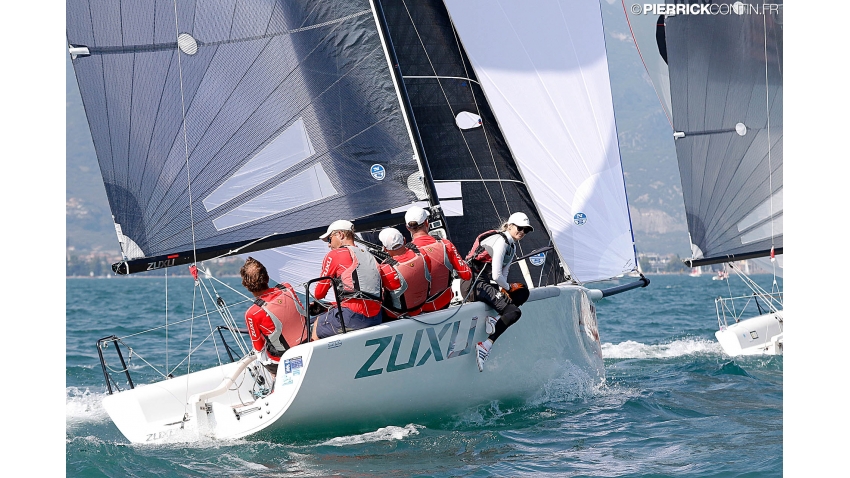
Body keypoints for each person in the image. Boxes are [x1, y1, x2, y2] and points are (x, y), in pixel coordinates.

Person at [462, 212, 534, 372]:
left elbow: (504, 274)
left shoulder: (512, 247)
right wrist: (507, 289)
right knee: (514, 313)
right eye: (520, 228)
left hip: (484, 282)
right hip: (473, 283)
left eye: (526, 230)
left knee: (522, 292)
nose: (522, 232)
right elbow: (496, 275)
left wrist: (506, 291)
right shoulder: (501, 241)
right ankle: (486, 345)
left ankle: (496, 319)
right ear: (509, 226)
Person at [311, 219, 399, 340]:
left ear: (340, 235)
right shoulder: (369, 255)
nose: (329, 244)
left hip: (353, 317)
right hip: (376, 317)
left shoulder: (334, 254)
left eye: (329, 239)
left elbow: (319, 294)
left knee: (317, 324)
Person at [240, 257, 308, 377]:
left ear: (246, 285)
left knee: (262, 355)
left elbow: (258, 347)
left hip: (283, 359)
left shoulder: (252, 313)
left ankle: (275, 381)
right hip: (307, 345)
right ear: (267, 277)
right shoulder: (287, 287)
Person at [404, 205, 472, 312]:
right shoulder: (445, 244)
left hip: (419, 310)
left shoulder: (405, 253)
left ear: (408, 228)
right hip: (443, 303)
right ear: (427, 223)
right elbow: (467, 275)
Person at [378, 227, 432, 320]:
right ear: (404, 240)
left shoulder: (386, 269)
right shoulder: (422, 254)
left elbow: (379, 291)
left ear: (385, 249)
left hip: (397, 315)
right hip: (423, 305)